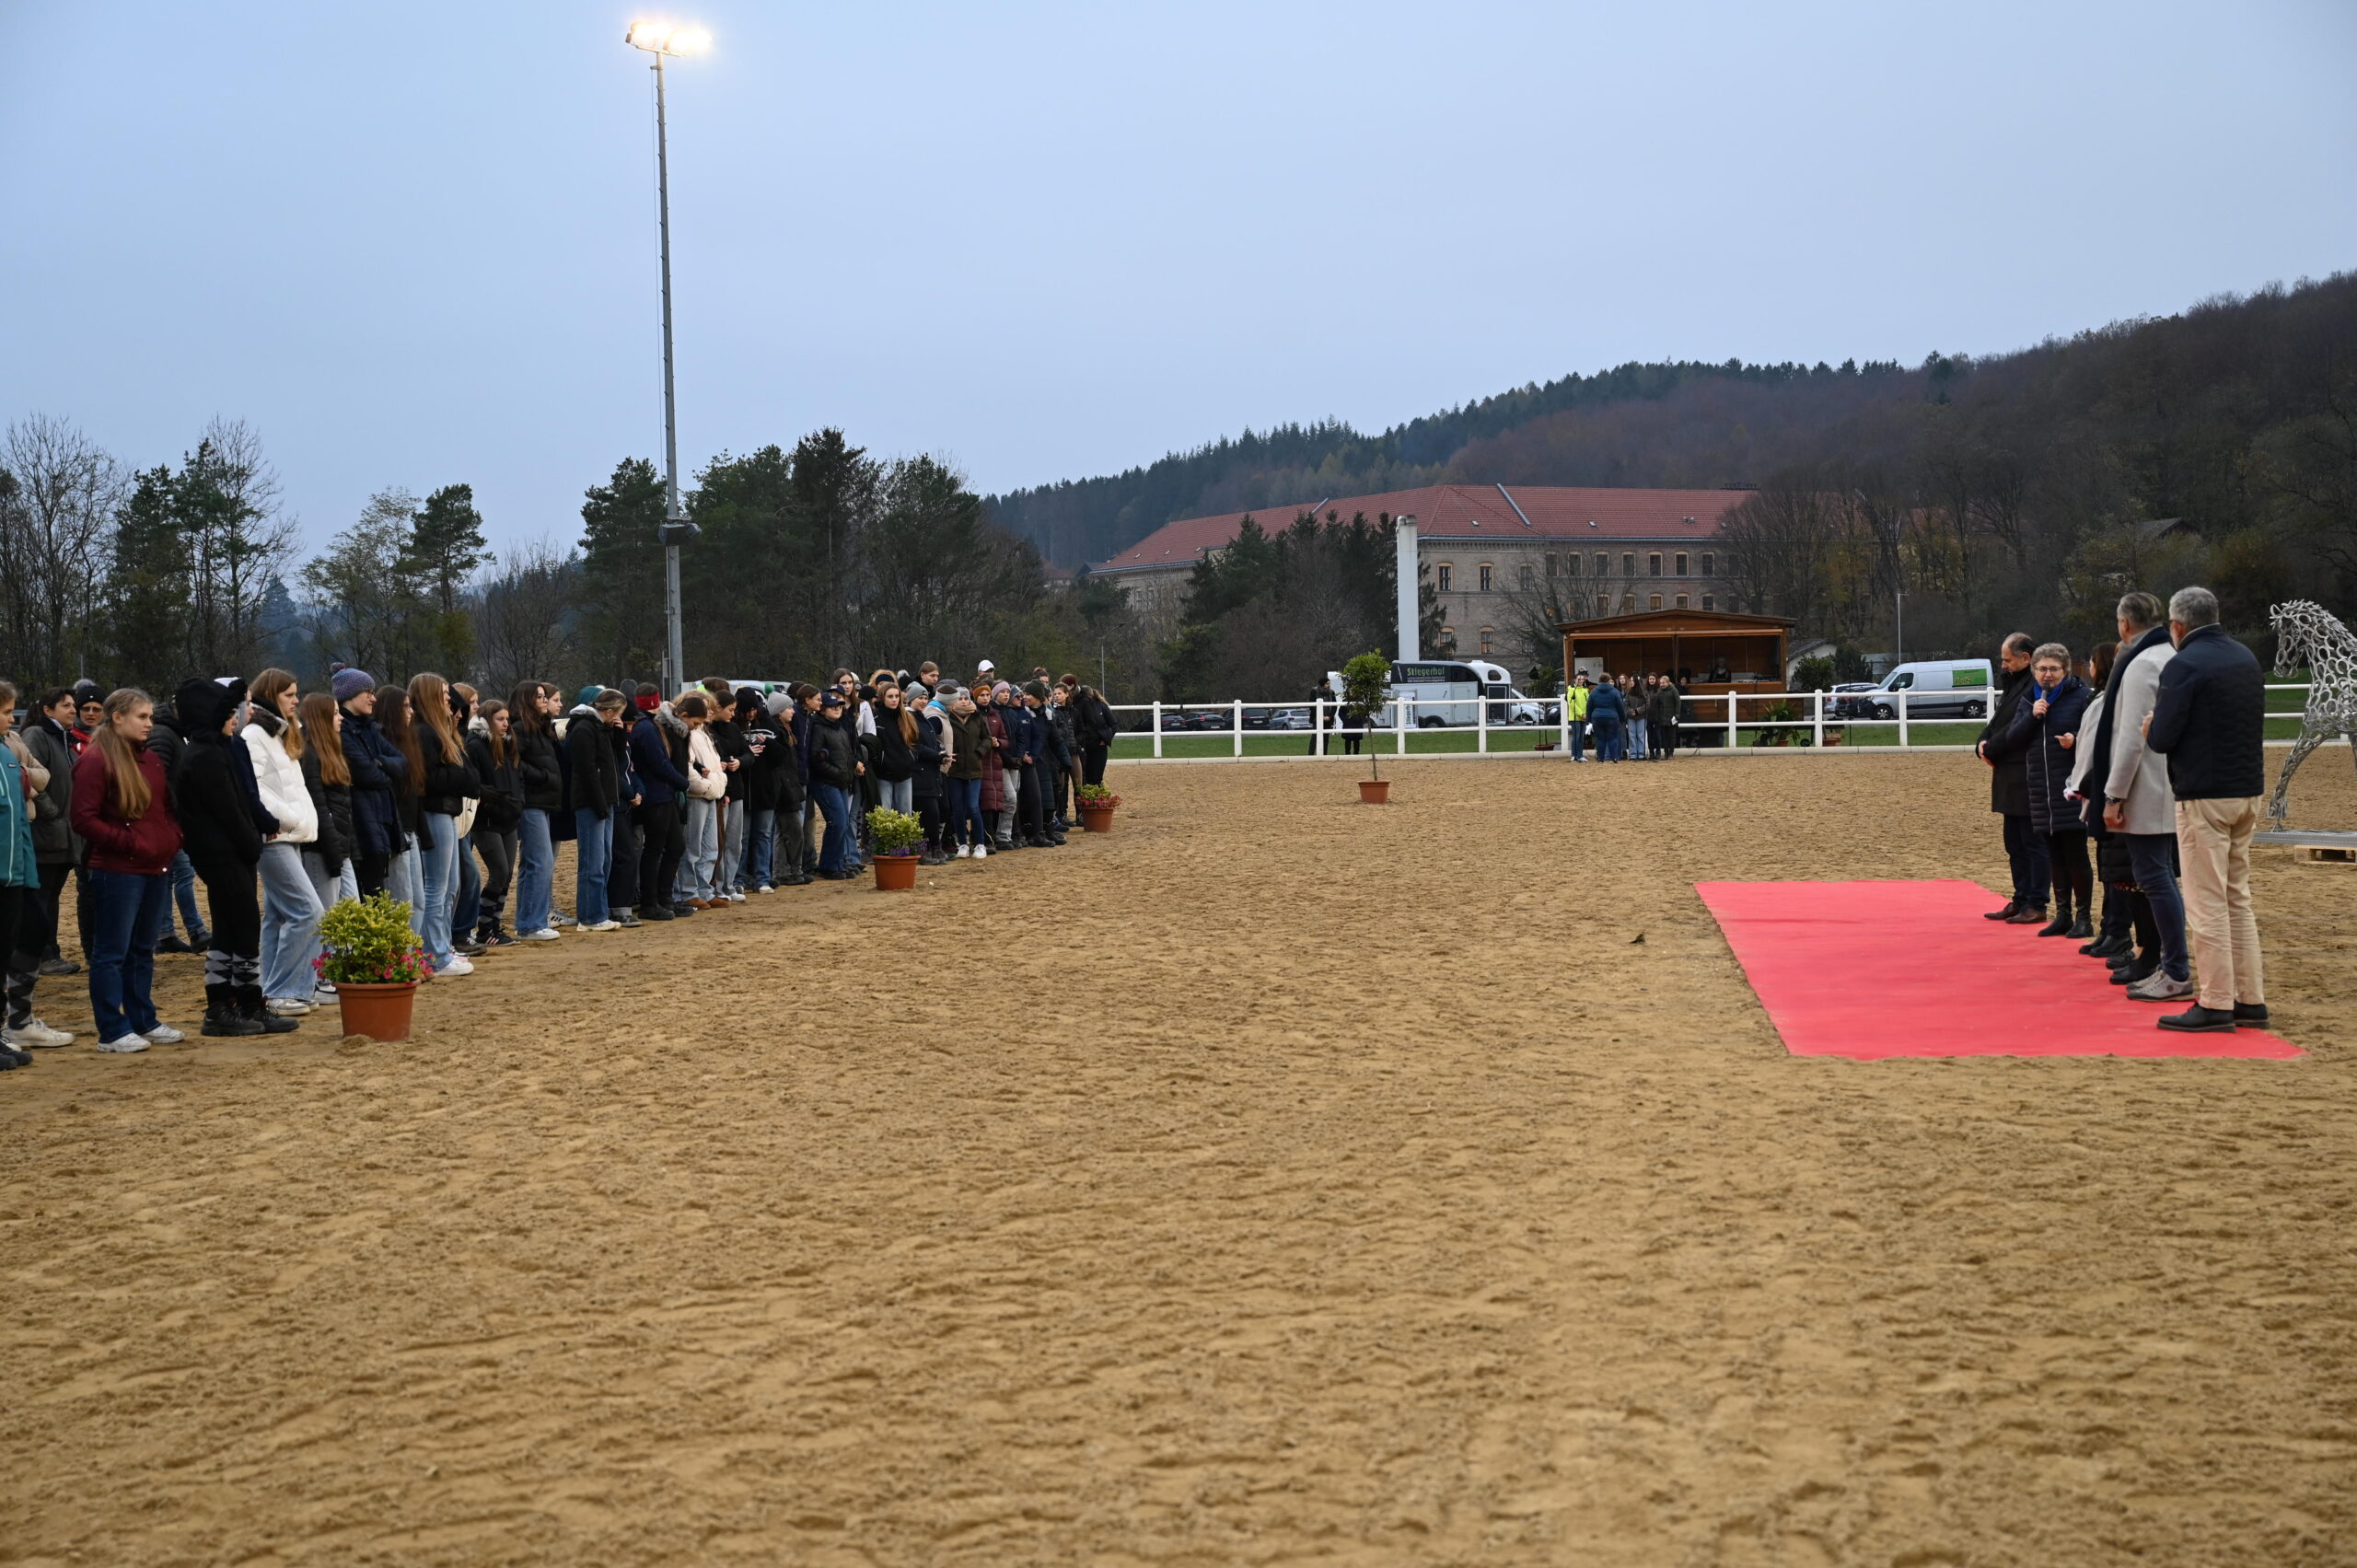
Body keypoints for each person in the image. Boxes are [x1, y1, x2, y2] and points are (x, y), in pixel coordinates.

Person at [2144, 585, 2270, 1033]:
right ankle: (2249, 998)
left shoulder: (2185, 664)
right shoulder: (2244, 658)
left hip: (2203, 795)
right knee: (2238, 898)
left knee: (2206, 903)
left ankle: (2215, 1002)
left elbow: (2162, 739)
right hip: (2247, 788)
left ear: (2177, 626)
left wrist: (2149, 726)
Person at [173, 677, 292, 1037]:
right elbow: (229, 811)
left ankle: (240, 1001)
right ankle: (226, 1005)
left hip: (232, 853)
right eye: (227, 713)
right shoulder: (204, 755)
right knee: (239, 928)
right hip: (221, 854)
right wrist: (252, 843)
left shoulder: (221, 749)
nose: (234, 718)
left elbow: (244, 800)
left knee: (233, 929)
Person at [70, 689, 185, 1052]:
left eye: (150, 717)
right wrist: (131, 843)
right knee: (111, 952)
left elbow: (165, 807)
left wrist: (171, 837)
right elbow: (83, 819)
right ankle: (112, 1030)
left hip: (156, 865)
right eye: (142, 717)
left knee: (141, 949)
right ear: (117, 717)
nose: (149, 723)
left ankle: (142, 1019)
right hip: (116, 871)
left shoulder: (150, 759)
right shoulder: (96, 760)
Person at [2098, 592, 2189, 1002]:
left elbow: (2129, 739)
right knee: (2162, 876)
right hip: (2181, 781)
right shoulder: (2174, 656)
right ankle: (2167, 962)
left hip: (2148, 787)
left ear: (2124, 625)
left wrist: (2113, 794)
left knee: (2154, 877)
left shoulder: (2140, 665)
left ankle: (2173, 967)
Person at [242, 668, 328, 1014]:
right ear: (271, 694)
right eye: (289, 695)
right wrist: (286, 819)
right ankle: (284, 990)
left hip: (288, 835)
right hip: (273, 835)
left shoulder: (280, 733)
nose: (296, 700)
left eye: (296, 693)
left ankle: (271, 988)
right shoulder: (255, 735)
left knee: (278, 916)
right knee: (309, 911)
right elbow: (255, 788)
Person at [0, 683, 73, 1061]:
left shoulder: (10, 743)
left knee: (33, 929)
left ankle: (18, 1020)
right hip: (11, 859)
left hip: (19, 858)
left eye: (11, 710)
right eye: (3, 711)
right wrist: (26, 779)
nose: (10, 719)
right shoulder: (20, 742)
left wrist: (24, 777)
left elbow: (38, 777)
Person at [2011, 644, 2094, 939]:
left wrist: (2077, 740)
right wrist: (2031, 716)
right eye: (2042, 669)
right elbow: (2014, 739)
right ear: (2034, 671)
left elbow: (2098, 737)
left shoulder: (2082, 698)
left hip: (2070, 788)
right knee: (2054, 856)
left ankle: (2084, 916)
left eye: (2053, 669)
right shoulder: (2028, 701)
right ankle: (2063, 915)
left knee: (2076, 855)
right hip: (2040, 791)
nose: (2048, 675)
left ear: (2065, 670)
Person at [1975, 633, 2049, 923]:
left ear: (2025, 658)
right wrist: (1981, 742)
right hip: (2009, 774)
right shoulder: (2015, 684)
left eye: (2007, 659)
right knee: (2014, 842)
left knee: (2032, 842)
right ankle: (2021, 898)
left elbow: (2020, 727)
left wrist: (1991, 747)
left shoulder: (2035, 687)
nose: (2003, 665)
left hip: (2026, 773)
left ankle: (2037, 902)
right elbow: (1998, 721)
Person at [295, 691, 353, 1002]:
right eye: (334, 713)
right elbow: (320, 808)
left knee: (349, 909)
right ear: (320, 718)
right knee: (326, 916)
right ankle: (321, 979)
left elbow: (343, 808)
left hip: (340, 847)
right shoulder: (311, 755)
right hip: (322, 849)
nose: (340, 717)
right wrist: (334, 853)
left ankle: (335, 974)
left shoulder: (332, 751)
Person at [22, 690, 83, 976]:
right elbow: (29, 778)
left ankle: (50, 952)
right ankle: (42, 955)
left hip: (63, 833)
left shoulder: (64, 739)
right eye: (66, 705)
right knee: (42, 896)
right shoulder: (38, 735)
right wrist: (53, 813)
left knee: (52, 895)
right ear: (48, 710)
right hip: (46, 832)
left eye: (74, 705)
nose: (73, 710)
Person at [334, 669, 403, 899]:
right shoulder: (343, 731)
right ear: (350, 694)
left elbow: (403, 764)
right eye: (368, 692)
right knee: (369, 895)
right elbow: (366, 774)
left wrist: (380, 763)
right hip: (361, 822)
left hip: (380, 818)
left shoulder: (371, 728)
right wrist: (384, 774)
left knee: (379, 894)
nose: (373, 698)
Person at [629, 685, 692, 919]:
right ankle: (650, 902)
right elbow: (659, 764)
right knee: (655, 849)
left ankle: (664, 898)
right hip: (655, 796)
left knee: (675, 846)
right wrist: (683, 782)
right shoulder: (646, 728)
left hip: (662, 794)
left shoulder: (648, 726)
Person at [471, 697, 528, 945]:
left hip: (509, 818)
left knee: (507, 875)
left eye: (507, 719)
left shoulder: (508, 744)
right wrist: (495, 801)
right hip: (487, 820)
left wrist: (518, 802)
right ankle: (483, 929)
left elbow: (518, 778)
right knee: (499, 872)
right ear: (487, 720)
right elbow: (475, 783)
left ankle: (495, 927)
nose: (506, 724)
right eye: (500, 719)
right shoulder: (475, 745)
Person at [509, 681, 563, 941]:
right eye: (540, 697)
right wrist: (542, 776)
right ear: (527, 701)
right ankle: (532, 923)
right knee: (540, 863)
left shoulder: (542, 729)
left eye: (545, 697)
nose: (544, 701)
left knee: (535, 863)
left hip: (543, 802)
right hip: (531, 802)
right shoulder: (520, 729)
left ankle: (529, 921)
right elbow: (514, 765)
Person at [562, 689, 619, 930]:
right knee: (592, 862)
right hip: (590, 802)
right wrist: (599, 804)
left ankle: (598, 911)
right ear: (607, 710)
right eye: (616, 714)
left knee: (603, 860)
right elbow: (587, 770)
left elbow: (613, 760)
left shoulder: (600, 728)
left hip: (603, 801)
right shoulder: (585, 729)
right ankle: (590, 916)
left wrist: (618, 731)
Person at [674, 691, 728, 906]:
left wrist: (718, 781)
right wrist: (705, 787)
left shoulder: (704, 733)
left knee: (710, 847)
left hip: (711, 793)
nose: (706, 711)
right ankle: (689, 891)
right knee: (692, 847)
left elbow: (714, 764)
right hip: (698, 795)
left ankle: (705, 890)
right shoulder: (688, 732)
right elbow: (689, 766)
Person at [807, 689, 862, 879]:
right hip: (826, 782)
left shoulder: (840, 727)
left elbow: (847, 755)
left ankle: (838, 863)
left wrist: (850, 769)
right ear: (823, 710)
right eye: (832, 706)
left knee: (843, 823)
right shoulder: (819, 729)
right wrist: (838, 773)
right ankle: (828, 865)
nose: (837, 709)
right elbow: (817, 759)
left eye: (839, 706)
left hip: (841, 782)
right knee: (837, 822)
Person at [944, 686, 992, 857]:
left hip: (974, 769)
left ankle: (980, 843)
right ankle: (962, 843)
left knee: (973, 807)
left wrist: (979, 752)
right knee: (958, 809)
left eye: (966, 698)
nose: (963, 701)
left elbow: (987, 738)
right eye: (960, 698)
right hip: (955, 770)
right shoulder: (948, 717)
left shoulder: (978, 717)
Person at [1586, 675, 1627, 761]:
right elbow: (1620, 707)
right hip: (1612, 717)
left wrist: (1589, 720)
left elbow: (1589, 706)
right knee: (1613, 738)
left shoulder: (1594, 691)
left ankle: (1601, 758)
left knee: (1600, 739)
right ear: (1608, 680)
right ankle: (1614, 758)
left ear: (1600, 680)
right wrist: (1622, 719)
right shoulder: (1615, 691)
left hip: (1597, 718)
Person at [1648, 673, 1682, 761]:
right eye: (1661, 683)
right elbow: (1657, 704)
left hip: (1672, 717)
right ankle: (1666, 752)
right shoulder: (1659, 691)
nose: (1662, 684)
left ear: (1668, 682)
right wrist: (1658, 715)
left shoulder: (1674, 690)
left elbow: (1678, 702)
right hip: (1662, 717)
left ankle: (1671, 753)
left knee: (1672, 736)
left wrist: (1677, 715)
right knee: (1664, 737)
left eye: (1663, 683)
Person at [1567, 674, 1591, 761]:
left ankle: (1580, 755)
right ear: (1575, 680)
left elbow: (1588, 703)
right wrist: (1581, 714)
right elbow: (1572, 704)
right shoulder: (1571, 690)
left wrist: (1587, 714)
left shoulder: (1585, 690)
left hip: (1584, 717)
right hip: (1575, 718)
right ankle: (1574, 755)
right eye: (1579, 679)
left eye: (1582, 679)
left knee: (1581, 737)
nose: (1581, 681)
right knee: (1576, 736)